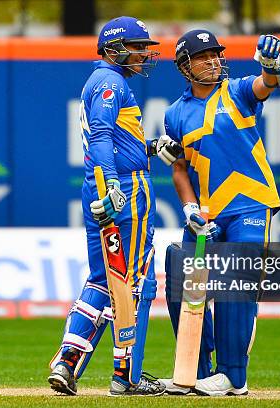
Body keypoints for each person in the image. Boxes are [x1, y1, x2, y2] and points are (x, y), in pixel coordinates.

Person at [47, 16, 181, 397]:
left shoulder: (102, 81)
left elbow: (114, 138)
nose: (144, 54)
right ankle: (127, 376)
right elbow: (103, 137)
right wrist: (114, 187)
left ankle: (67, 361)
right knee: (135, 282)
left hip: (101, 186)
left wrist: (150, 147)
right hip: (124, 189)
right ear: (113, 49)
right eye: (137, 47)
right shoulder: (110, 82)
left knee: (102, 280)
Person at [159, 30, 280, 396]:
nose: (214, 61)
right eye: (204, 56)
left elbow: (268, 83)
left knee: (236, 282)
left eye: (216, 54)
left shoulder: (238, 90)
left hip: (250, 202)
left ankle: (233, 376)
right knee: (179, 275)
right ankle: (192, 371)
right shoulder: (174, 114)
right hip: (207, 213)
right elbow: (179, 168)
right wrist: (188, 209)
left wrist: (271, 66)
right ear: (185, 66)